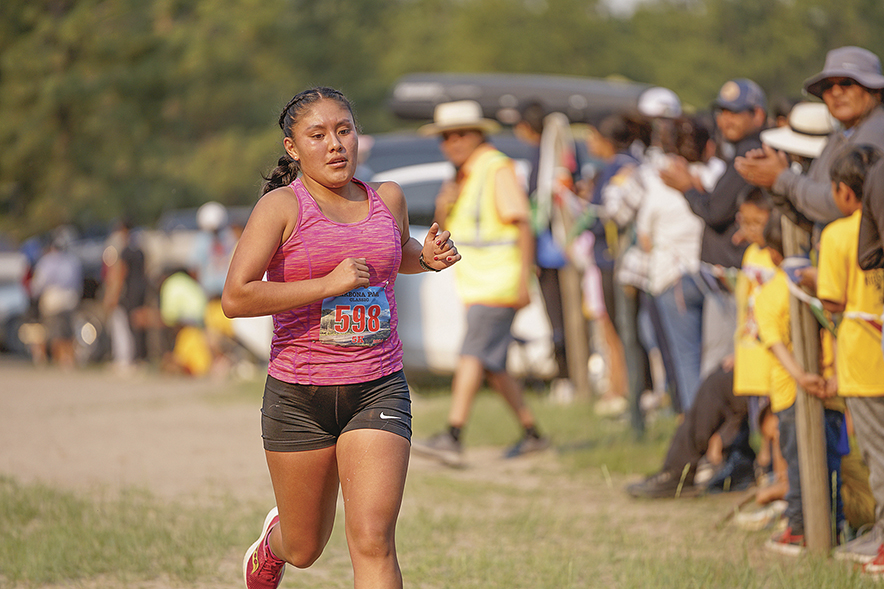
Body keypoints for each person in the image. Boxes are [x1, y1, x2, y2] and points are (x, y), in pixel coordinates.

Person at [221, 86, 460, 589]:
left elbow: (395, 254)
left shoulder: (386, 198)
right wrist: (325, 286)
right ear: (293, 147)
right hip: (298, 396)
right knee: (305, 547)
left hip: (377, 387)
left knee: (373, 540)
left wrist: (427, 258)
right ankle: (273, 546)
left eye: (344, 131)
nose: (335, 144)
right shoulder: (281, 208)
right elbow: (236, 298)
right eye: (319, 135)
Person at [410, 99, 547, 467]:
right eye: (445, 137)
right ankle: (533, 433)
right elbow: (450, 228)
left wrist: (523, 283)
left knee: (472, 352)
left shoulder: (494, 168)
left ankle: (453, 435)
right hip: (479, 284)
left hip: (498, 283)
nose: (451, 142)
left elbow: (522, 224)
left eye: (459, 134)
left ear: (477, 135)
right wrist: (444, 204)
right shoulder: (462, 174)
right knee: (492, 363)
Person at [625, 188, 774, 499]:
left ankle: (770, 478)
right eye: (742, 223)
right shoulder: (752, 257)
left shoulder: (783, 262)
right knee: (713, 387)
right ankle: (676, 473)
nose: (742, 233)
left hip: (777, 365)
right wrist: (740, 351)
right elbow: (750, 315)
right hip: (751, 360)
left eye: (754, 223)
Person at [659, 79, 767, 405]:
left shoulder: (752, 153)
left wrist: (687, 188)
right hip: (723, 276)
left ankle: (723, 448)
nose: (726, 120)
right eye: (722, 112)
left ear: (757, 114)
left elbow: (716, 212)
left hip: (733, 276)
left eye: (736, 112)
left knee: (720, 365)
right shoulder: (740, 151)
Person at [755, 211, 846, 556]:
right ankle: (834, 527)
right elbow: (837, 325)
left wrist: (799, 377)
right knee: (831, 464)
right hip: (830, 391)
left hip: (790, 392)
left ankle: (799, 528)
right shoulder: (818, 283)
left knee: (797, 464)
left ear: (773, 253)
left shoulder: (770, 294)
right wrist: (834, 373)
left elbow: (774, 342)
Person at [814, 144, 884, 568]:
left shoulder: (838, 234)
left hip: (861, 356)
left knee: (877, 455)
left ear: (842, 191)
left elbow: (832, 299)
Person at [736, 46, 884, 224]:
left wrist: (782, 177)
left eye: (847, 83)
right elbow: (812, 218)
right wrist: (773, 184)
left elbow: (838, 205)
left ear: (874, 90)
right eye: (828, 86)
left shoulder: (876, 129)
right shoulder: (839, 137)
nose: (836, 92)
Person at [29, 227, 84, 369]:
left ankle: (59, 359)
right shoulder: (72, 261)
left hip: (53, 297)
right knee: (68, 330)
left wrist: (33, 295)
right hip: (70, 297)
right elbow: (78, 282)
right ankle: (69, 359)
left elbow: (39, 283)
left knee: (54, 329)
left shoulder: (47, 261)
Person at [102, 218, 148, 372]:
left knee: (125, 325)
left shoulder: (125, 251)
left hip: (128, 291)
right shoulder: (140, 250)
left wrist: (114, 295)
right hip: (140, 289)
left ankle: (126, 359)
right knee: (137, 324)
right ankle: (139, 357)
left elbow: (121, 273)